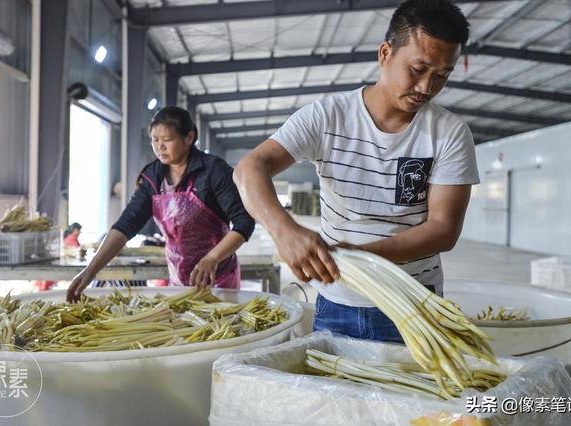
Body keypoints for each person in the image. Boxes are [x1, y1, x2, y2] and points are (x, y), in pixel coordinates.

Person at [233, 0, 478, 343]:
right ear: (384, 54)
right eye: (418, 69)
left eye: (441, 76)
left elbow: (443, 229)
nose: (426, 87)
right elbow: (249, 168)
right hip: (338, 301)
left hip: (414, 304)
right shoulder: (328, 117)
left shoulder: (449, 133)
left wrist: (363, 257)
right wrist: (283, 230)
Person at [67, 106, 255, 302]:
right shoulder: (152, 178)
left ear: (189, 138)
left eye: (167, 140)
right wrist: (90, 271)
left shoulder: (213, 171)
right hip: (178, 278)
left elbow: (244, 222)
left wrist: (212, 258)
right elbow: (125, 226)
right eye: (155, 140)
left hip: (218, 278)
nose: (159, 147)